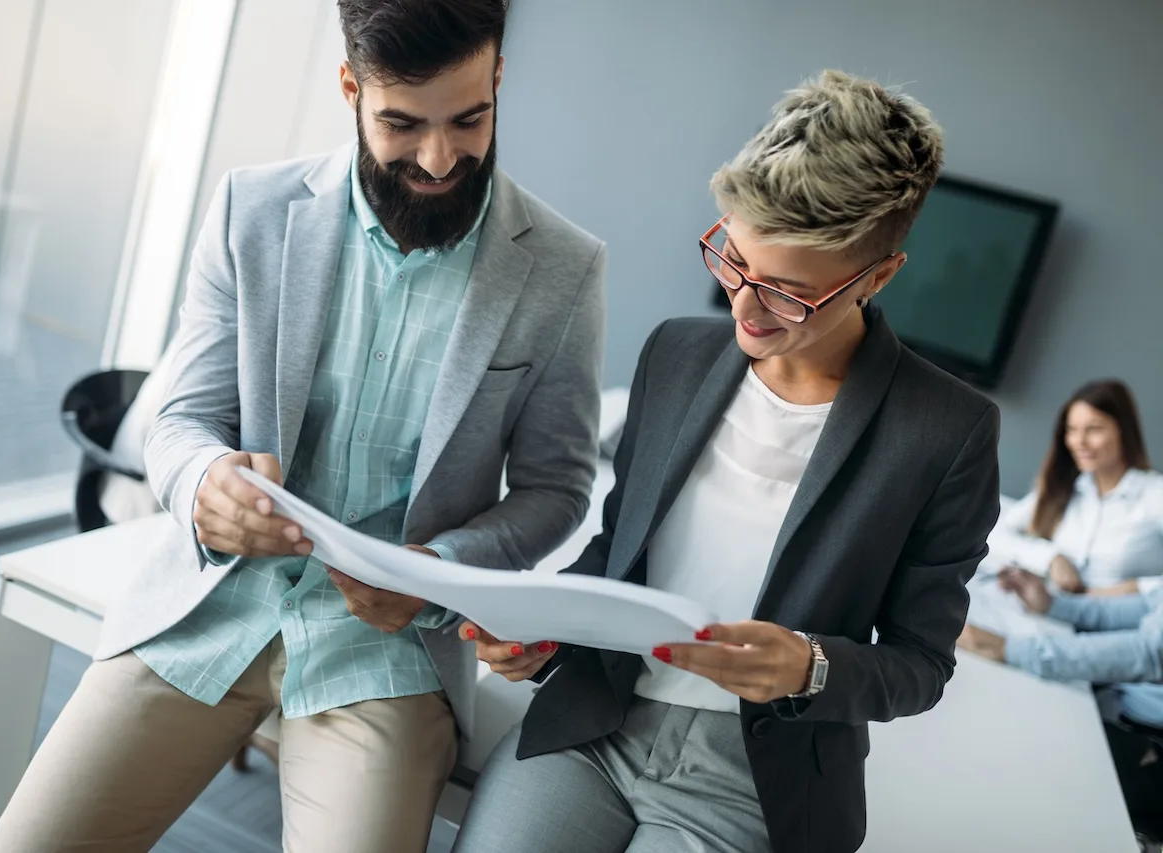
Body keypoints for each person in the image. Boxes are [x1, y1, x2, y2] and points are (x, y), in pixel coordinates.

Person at [0, 1, 606, 851]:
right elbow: (182, 417)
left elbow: (556, 488)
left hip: (388, 653)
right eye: (400, 122)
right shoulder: (251, 208)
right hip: (209, 605)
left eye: (469, 119)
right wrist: (203, 484)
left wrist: (441, 570)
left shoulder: (565, 268)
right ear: (350, 88)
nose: (437, 158)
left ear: (498, 79)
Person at [452, 70, 1000, 853]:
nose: (742, 307)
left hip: (755, 774)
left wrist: (808, 666)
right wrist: (548, 631)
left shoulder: (949, 430)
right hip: (594, 725)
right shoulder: (675, 351)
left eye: (787, 294)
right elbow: (617, 555)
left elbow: (920, 664)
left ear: (878, 277)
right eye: (732, 258)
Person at [958, 567, 1163, 841]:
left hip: (1148, 740)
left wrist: (1005, 648)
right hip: (1118, 699)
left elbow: (1147, 652)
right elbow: (1138, 609)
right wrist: (1053, 605)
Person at [988, 380, 1163, 595]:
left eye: (1094, 429)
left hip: (1121, 624)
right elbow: (994, 533)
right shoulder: (1066, 487)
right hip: (1047, 614)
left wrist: (1136, 589)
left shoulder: (1155, 494)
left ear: (1124, 431)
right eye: (1071, 430)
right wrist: (1051, 558)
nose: (1079, 441)